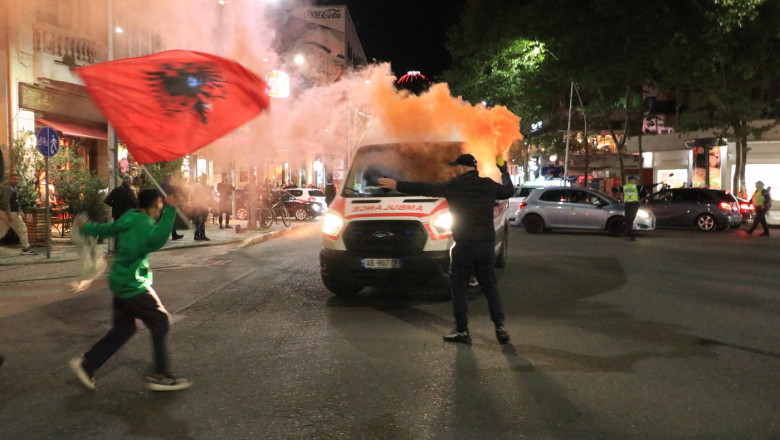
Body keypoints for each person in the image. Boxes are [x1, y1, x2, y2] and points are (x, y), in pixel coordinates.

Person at [378, 153, 515, 345]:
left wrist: (397, 185)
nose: (453, 170)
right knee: (490, 287)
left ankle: (462, 330)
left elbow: (425, 188)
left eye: (456, 167)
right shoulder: (488, 185)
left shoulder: (455, 185)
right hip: (485, 246)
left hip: (465, 245)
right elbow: (509, 191)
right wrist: (503, 170)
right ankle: (500, 326)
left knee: (458, 287)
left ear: (464, 167)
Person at [69, 188, 192, 391]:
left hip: (119, 280)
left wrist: (88, 226)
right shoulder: (144, 224)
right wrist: (171, 210)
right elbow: (156, 240)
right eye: (160, 204)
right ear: (155, 204)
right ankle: (160, 374)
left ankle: (88, 363)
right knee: (160, 321)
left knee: (125, 328)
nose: (161, 208)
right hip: (132, 285)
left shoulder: (130, 217)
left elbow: (108, 229)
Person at [0, 173, 36, 255]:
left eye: (18, 179)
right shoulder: (9, 188)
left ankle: (26, 248)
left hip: (5, 212)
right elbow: (6, 202)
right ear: (10, 179)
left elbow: (14, 201)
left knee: (1, 231)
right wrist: (9, 214)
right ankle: (26, 249)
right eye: (14, 179)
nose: (16, 181)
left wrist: (19, 210)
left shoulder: (12, 188)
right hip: (11, 213)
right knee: (22, 229)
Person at [160, 174, 184, 240]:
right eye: (171, 179)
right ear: (169, 179)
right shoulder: (166, 186)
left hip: (167, 205)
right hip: (167, 205)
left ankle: (174, 234)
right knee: (168, 220)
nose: (172, 180)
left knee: (170, 220)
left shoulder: (164, 185)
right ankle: (168, 235)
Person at [190, 174, 212, 241]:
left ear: (206, 179)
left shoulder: (207, 187)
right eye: (201, 178)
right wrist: (192, 203)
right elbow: (191, 194)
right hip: (198, 205)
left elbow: (209, 195)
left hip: (205, 205)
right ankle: (196, 236)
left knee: (203, 221)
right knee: (198, 221)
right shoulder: (196, 186)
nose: (202, 179)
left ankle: (202, 235)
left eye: (204, 178)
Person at [623, 175, 641, 241]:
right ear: (631, 181)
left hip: (630, 204)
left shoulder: (625, 187)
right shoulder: (635, 187)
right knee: (629, 220)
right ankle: (630, 235)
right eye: (634, 180)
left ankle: (630, 235)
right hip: (632, 205)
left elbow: (615, 189)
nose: (635, 181)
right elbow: (647, 187)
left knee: (628, 220)